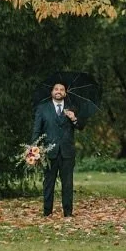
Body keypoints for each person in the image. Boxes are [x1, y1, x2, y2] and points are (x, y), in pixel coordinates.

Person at [32, 82, 80, 218]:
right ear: (52, 92)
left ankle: (68, 213)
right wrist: (33, 148)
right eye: (56, 89)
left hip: (67, 152)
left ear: (65, 93)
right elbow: (37, 130)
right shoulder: (42, 108)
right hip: (48, 153)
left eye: (61, 89)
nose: (58, 91)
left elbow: (80, 126)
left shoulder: (72, 107)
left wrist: (74, 118)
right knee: (48, 183)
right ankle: (47, 213)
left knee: (68, 184)